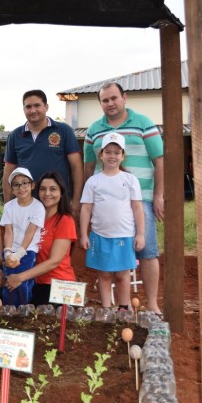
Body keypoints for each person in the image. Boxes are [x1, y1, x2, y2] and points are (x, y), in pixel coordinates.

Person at [84, 82, 164, 314]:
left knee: (146, 250)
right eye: (105, 100)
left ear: (124, 98)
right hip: (104, 202)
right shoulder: (94, 130)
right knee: (108, 250)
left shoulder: (144, 123)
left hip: (142, 198)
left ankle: (152, 305)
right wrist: (84, 200)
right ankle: (116, 306)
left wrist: (158, 195)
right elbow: (89, 165)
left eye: (113, 98)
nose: (110, 103)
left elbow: (159, 160)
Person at [80, 132, 145, 309]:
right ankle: (106, 310)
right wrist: (84, 234)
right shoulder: (93, 181)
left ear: (122, 156)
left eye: (117, 152)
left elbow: (137, 207)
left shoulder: (130, 179)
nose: (112, 156)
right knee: (104, 275)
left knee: (123, 275)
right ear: (101, 155)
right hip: (100, 235)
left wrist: (140, 234)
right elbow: (86, 209)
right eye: (108, 152)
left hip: (124, 235)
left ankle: (124, 308)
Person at [3, 90, 82, 215]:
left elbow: (76, 167)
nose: (33, 110)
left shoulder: (63, 131)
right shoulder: (15, 136)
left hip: (58, 203)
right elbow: (8, 173)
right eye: (28, 107)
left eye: (37, 105)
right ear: (23, 109)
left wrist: (77, 201)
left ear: (46, 107)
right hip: (26, 204)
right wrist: (8, 206)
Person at [5, 172, 77, 306]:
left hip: (60, 283)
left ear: (61, 192)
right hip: (36, 282)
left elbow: (54, 261)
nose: (47, 193)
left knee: (47, 323)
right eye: (43, 189)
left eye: (53, 189)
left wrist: (20, 277)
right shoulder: (34, 215)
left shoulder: (65, 220)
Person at [0, 167, 45, 306]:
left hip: (28, 251)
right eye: (16, 185)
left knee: (22, 281)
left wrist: (19, 253)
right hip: (11, 251)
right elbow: (8, 231)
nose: (21, 188)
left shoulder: (38, 207)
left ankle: (24, 310)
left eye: (25, 183)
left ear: (32, 185)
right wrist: (8, 252)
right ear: (12, 189)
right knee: (9, 280)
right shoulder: (9, 206)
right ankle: (9, 309)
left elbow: (30, 232)